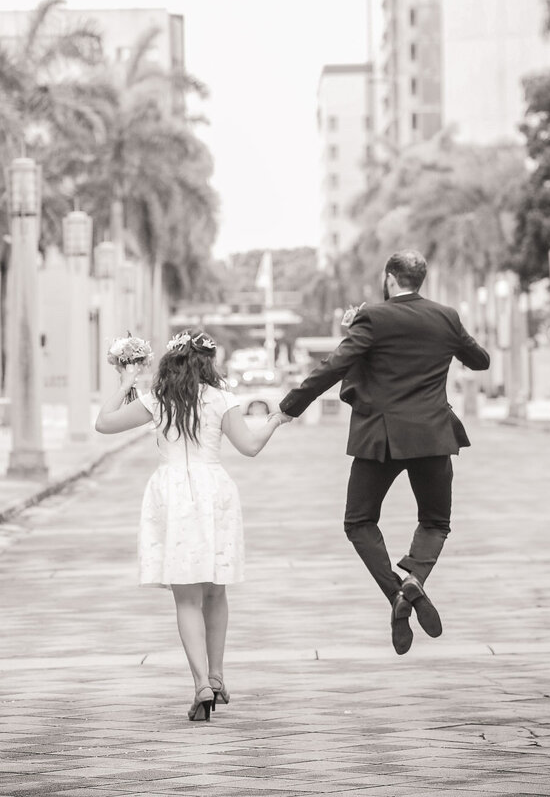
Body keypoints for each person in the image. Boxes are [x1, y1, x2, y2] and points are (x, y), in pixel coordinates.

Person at [278, 250, 490, 655]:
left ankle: (396, 593)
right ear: (419, 280)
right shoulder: (445, 316)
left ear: (390, 278)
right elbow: (480, 361)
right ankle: (414, 582)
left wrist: (290, 407)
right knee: (435, 522)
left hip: (382, 439)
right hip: (431, 436)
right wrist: (455, 340)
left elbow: (335, 366)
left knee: (358, 522)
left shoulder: (373, 317)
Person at [95, 328, 286, 720]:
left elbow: (104, 423)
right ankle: (216, 676)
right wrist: (275, 420)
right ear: (207, 363)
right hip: (215, 491)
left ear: (171, 362)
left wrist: (127, 380)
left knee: (186, 598)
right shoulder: (222, 399)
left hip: (171, 495)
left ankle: (200, 683)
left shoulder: (157, 400)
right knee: (216, 592)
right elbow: (249, 447)